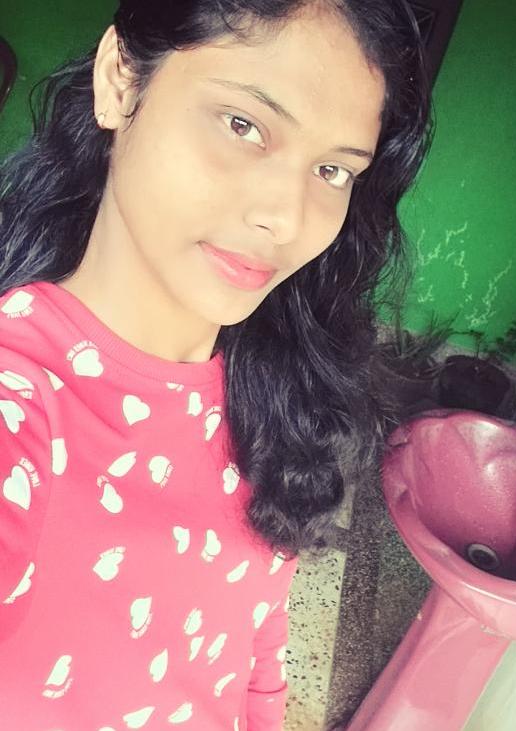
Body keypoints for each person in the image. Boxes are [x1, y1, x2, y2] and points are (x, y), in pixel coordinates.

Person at [0, 0, 430, 728]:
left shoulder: (276, 384)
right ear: (119, 79)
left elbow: (257, 652)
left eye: (332, 170)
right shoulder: (21, 403)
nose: (286, 218)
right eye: (243, 125)